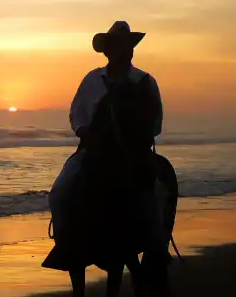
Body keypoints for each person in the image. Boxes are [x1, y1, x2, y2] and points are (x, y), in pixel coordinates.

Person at [48, 20, 164, 246]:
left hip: (135, 151)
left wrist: (138, 138)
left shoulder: (145, 81)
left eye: (128, 46)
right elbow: (77, 111)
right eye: (120, 46)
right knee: (60, 191)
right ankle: (64, 243)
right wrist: (84, 130)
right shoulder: (93, 79)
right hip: (93, 147)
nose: (126, 51)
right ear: (109, 51)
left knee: (155, 196)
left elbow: (156, 121)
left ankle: (158, 246)